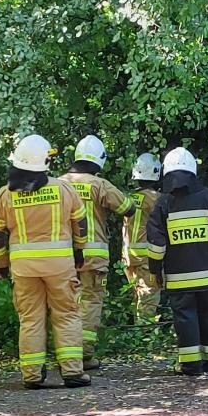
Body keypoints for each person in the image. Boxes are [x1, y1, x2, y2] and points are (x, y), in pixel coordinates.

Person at [0, 133, 91, 389]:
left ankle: (32, 375)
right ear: (44, 162)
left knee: (30, 319)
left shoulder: (5, 195)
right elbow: (81, 223)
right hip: (60, 267)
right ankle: (73, 373)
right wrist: (79, 250)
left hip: (23, 269)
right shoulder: (63, 189)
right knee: (66, 315)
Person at [146, 147, 208, 375]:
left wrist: (154, 270)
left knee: (185, 318)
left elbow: (156, 244)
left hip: (178, 279)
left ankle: (191, 365)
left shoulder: (164, 204)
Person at [59, 135, 137, 371]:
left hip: (63, 255)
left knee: (66, 304)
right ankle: (84, 355)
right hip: (93, 254)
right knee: (91, 301)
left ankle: (66, 356)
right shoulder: (99, 185)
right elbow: (128, 207)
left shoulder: (58, 183)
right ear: (99, 161)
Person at [122, 152, 163, 322]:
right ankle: (144, 338)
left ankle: (135, 335)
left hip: (127, 256)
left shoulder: (129, 197)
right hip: (146, 256)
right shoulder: (156, 199)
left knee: (136, 296)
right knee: (148, 298)